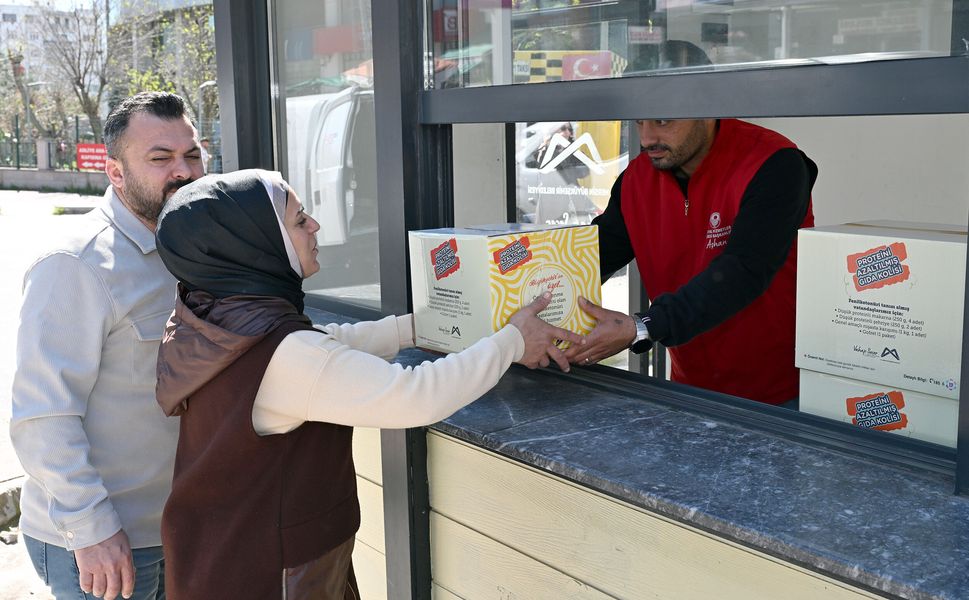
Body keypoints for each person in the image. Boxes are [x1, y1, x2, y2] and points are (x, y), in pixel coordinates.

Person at [152, 169, 582, 599]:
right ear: (255, 246)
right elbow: (414, 396)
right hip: (270, 574)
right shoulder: (283, 355)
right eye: (299, 220)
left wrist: (424, 327)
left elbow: (326, 343)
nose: (315, 225)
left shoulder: (212, 319)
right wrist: (513, 341)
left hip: (223, 554)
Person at [10, 91, 204, 600]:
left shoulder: (191, 246)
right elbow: (42, 417)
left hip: (177, 527)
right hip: (105, 542)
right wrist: (91, 529)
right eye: (160, 158)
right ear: (115, 172)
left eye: (192, 154)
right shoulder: (75, 264)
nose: (183, 171)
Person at [565, 42, 817, 407]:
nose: (647, 138)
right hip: (691, 388)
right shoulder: (636, 180)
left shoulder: (774, 164)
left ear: (708, 106)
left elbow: (745, 269)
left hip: (783, 395)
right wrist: (525, 298)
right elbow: (593, 255)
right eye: (639, 121)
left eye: (663, 120)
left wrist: (643, 326)